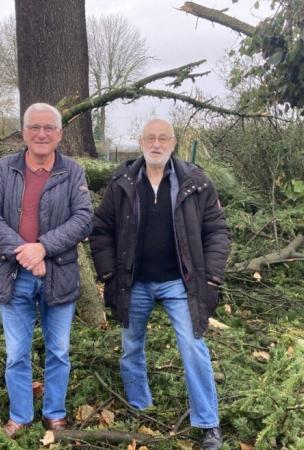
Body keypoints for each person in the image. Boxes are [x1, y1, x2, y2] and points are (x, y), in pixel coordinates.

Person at [89, 118, 230, 450]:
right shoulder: (122, 182)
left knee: (193, 348)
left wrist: (210, 279)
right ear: (140, 143)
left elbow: (218, 232)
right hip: (134, 282)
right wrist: (109, 276)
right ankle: (142, 408)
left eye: (163, 138)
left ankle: (208, 423)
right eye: (150, 138)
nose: (156, 144)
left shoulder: (195, 183)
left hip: (180, 283)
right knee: (131, 347)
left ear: (173, 142)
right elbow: (101, 230)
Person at [0, 103, 92, 438]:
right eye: (34, 127)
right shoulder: (4, 169)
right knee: (16, 353)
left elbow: (83, 219)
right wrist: (25, 253)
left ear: (59, 134)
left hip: (59, 274)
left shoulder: (73, 172)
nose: (41, 134)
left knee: (58, 351)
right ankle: (20, 415)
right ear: (24, 132)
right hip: (12, 275)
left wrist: (43, 247)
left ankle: (54, 413)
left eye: (49, 128)